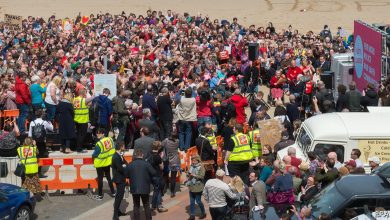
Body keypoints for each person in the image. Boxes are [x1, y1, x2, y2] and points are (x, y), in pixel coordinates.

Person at [127, 149, 156, 220]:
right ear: (142, 155)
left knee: (136, 205)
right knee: (146, 205)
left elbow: (126, 175)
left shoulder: (131, 164)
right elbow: (154, 173)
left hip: (134, 188)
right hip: (145, 187)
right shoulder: (146, 164)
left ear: (136, 155)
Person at [28, 109, 53, 178]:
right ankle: (39, 173)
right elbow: (51, 128)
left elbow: (30, 134)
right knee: (41, 157)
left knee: (35, 158)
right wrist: (50, 122)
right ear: (42, 115)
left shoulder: (32, 122)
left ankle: (34, 173)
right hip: (42, 142)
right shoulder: (44, 122)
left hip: (34, 142)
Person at [92, 128, 116, 200]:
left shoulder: (99, 144)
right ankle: (113, 192)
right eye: (97, 133)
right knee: (109, 177)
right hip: (107, 162)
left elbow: (95, 154)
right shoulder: (110, 139)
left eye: (99, 133)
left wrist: (93, 158)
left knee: (100, 179)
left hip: (100, 164)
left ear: (103, 134)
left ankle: (100, 195)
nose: (97, 134)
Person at [186, 154, 207, 220]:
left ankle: (203, 213)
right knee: (192, 202)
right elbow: (188, 174)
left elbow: (201, 176)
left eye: (194, 160)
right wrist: (187, 174)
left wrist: (194, 175)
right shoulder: (191, 166)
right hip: (191, 186)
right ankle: (192, 215)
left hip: (198, 187)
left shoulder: (201, 167)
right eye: (192, 160)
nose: (192, 162)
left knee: (198, 201)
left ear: (198, 160)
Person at [73, 88, 93, 153]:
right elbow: (91, 99)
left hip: (76, 119)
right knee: (81, 135)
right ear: (83, 93)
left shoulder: (75, 99)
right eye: (85, 93)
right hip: (83, 120)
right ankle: (79, 149)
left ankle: (78, 147)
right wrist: (93, 94)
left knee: (78, 134)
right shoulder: (83, 100)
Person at [150, 141, 168, 212]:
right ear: (158, 147)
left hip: (152, 175)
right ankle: (158, 206)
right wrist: (162, 160)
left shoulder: (150, 154)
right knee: (157, 190)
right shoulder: (157, 157)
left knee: (157, 189)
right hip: (157, 175)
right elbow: (162, 167)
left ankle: (155, 205)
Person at [111, 141, 127, 220]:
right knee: (119, 196)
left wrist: (124, 165)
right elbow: (121, 168)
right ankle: (115, 215)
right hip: (119, 179)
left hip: (121, 178)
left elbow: (125, 163)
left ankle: (118, 211)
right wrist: (124, 167)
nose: (124, 148)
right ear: (121, 147)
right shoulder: (116, 157)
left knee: (120, 196)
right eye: (124, 146)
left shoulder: (119, 155)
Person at [162, 132, 180, 197]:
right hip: (175, 161)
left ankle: (165, 187)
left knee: (165, 174)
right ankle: (172, 192)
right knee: (173, 177)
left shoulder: (166, 141)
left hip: (166, 160)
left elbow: (161, 145)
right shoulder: (177, 141)